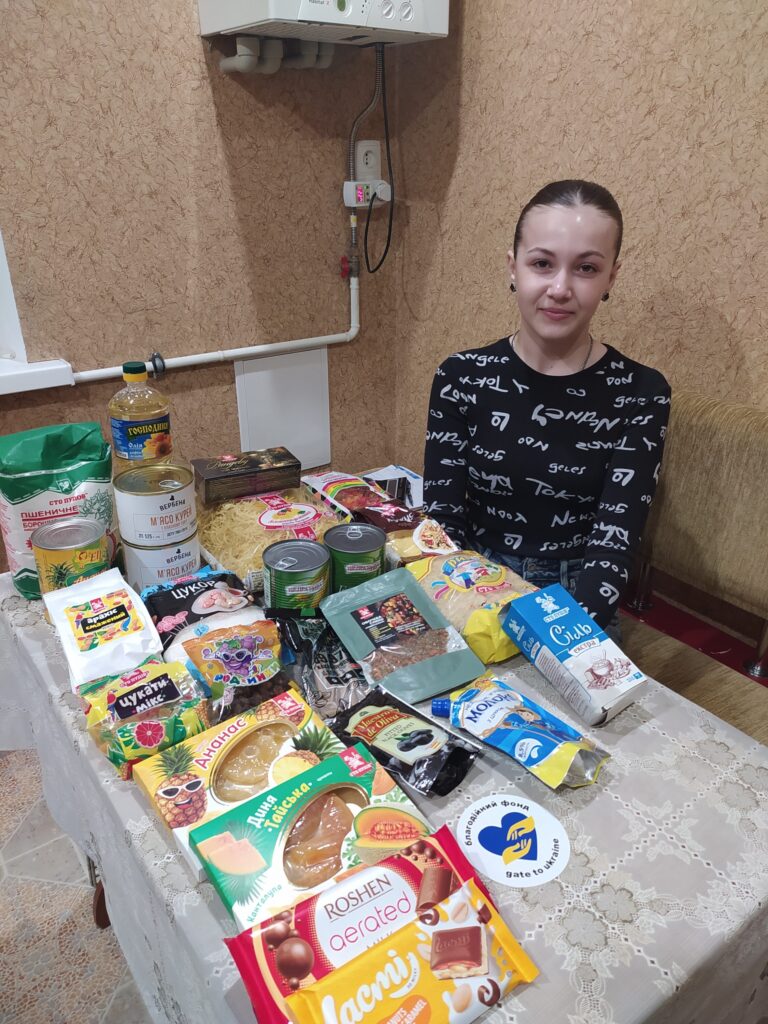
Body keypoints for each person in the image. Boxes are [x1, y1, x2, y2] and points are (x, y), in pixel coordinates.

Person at [423, 180, 671, 635]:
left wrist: (566, 638)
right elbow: (443, 520)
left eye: (586, 268)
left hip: (578, 595)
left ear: (611, 278)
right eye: (542, 263)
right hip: (473, 579)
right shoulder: (461, 376)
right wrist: (456, 607)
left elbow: (613, 543)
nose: (560, 288)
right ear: (513, 267)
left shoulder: (641, 391)